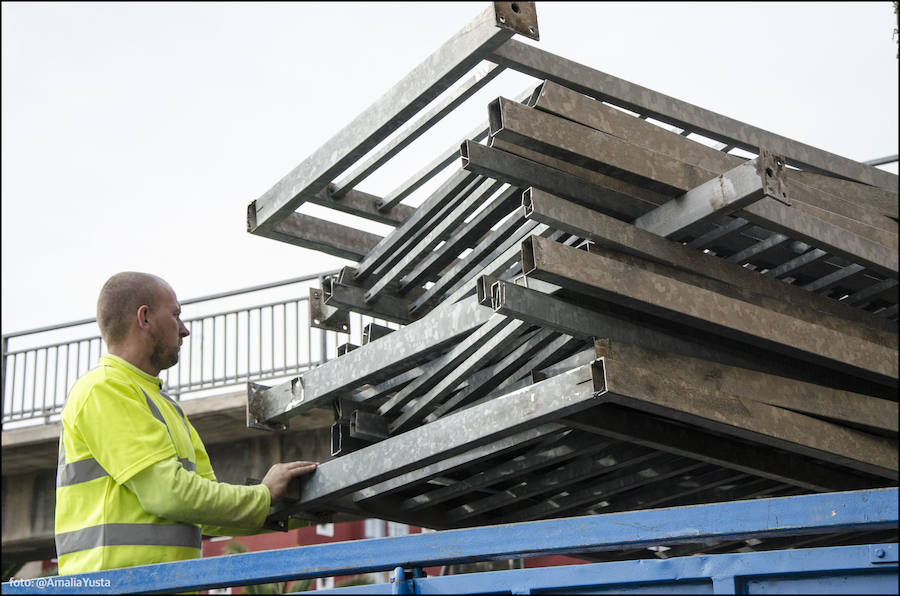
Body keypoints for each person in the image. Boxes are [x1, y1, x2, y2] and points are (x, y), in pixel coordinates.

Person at [54, 272, 318, 574]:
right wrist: (263, 493)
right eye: (176, 315)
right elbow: (168, 493)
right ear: (145, 318)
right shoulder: (103, 388)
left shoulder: (165, 406)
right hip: (111, 586)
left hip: (157, 586)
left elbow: (205, 511)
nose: (184, 330)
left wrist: (303, 511)